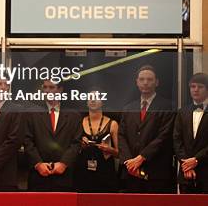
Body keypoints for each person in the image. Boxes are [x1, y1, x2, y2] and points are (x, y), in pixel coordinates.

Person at [118, 65, 176, 193]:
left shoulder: (168, 106)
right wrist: (129, 162)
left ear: (157, 82)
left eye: (149, 79)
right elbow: (121, 136)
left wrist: (141, 158)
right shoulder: (128, 108)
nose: (145, 82)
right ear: (137, 82)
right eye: (142, 79)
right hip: (131, 171)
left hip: (156, 171)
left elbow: (163, 137)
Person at [24, 80, 82, 191]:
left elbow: (76, 143)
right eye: (45, 87)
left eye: (51, 87)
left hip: (64, 176)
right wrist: (38, 164)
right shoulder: (31, 113)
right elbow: (27, 141)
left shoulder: (74, 115)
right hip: (38, 176)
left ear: (60, 90)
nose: (47, 90)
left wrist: (64, 163)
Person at [74, 90, 119, 193]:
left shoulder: (113, 124)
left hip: (105, 173)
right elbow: (71, 147)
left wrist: (109, 149)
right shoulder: (78, 122)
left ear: (102, 101)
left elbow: (119, 154)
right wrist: (80, 145)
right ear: (86, 102)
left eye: (96, 97)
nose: (93, 100)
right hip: (83, 172)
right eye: (90, 98)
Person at [173, 73, 208, 193]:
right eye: (193, 86)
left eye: (200, 86)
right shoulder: (182, 112)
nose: (196, 90)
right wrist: (186, 165)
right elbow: (177, 140)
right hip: (185, 174)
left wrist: (197, 160)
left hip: (206, 172)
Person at [0, 78, 24, 191]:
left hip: (5, 171)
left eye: (6, 85)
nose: (3, 87)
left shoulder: (17, 110)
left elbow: (15, 139)